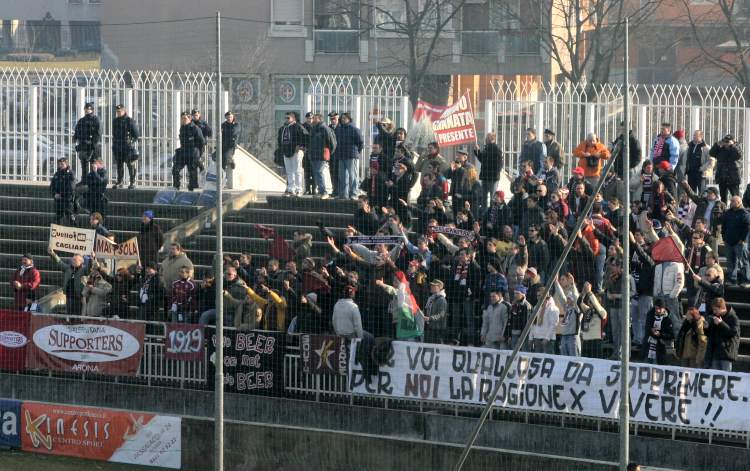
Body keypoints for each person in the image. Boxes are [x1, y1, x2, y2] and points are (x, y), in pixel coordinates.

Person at [48, 248, 91, 316]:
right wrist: (52, 254)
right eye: (72, 259)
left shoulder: (83, 270)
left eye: (74, 260)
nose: (72, 261)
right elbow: (59, 262)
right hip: (69, 296)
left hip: (80, 297)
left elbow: (90, 267)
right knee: (69, 313)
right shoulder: (68, 268)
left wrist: (92, 258)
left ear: (80, 261)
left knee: (78, 314)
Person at [277, 111, 309, 197]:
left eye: (288, 118)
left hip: (296, 152)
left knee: (297, 170)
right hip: (286, 152)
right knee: (289, 171)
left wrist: (301, 147)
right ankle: (291, 189)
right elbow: (280, 140)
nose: (286, 119)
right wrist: (282, 150)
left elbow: (306, 137)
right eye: (286, 118)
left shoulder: (298, 127)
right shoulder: (282, 128)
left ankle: (299, 189)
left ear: (293, 118)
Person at [721, 195, 750, 287]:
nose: (731, 202)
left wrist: (743, 240)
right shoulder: (727, 213)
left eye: (733, 201)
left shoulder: (745, 213)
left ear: (739, 202)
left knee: (743, 262)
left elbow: (747, 228)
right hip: (729, 242)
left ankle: (746, 280)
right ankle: (732, 279)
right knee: (730, 262)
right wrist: (724, 237)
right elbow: (724, 226)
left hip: (740, 243)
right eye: (731, 201)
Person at [334, 112, 364, 200]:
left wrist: (356, 152)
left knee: (353, 176)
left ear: (349, 119)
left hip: (351, 155)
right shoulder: (339, 129)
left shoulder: (354, 129)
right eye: (342, 118)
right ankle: (343, 194)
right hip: (341, 155)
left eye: (345, 118)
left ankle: (354, 193)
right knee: (342, 176)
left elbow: (360, 142)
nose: (343, 120)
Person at [704, 298, 740, 371]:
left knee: (725, 378)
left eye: (716, 309)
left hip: (726, 354)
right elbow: (710, 335)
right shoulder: (715, 317)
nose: (714, 312)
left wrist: (721, 324)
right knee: (714, 377)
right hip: (715, 353)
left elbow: (733, 333)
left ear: (722, 308)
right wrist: (706, 328)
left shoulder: (733, 318)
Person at [173, 111, 205, 191]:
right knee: (175, 169)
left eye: (185, 118)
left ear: (190, 119)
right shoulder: (182, 128)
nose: (183, 120)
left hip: (192, 153)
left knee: (192, 172)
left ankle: (192, 189)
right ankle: (176, 186)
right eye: (182, 119)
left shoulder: (195, 128)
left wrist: (198, 154)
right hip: (183, 152)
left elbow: (202, 142)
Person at [308, 113, 337, 199]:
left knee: (319, 172)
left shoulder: (324, 128)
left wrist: (328, 152)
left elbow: (332, 143)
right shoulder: (314, 129)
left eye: (315, 118)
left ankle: (324, 192)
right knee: (316, 174)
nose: (313, 120)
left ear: (320, 119)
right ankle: (320, 191)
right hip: (314, 155)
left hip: (321, 155)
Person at [111, 104, 140, 189]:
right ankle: (120, 181)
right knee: (119, 165)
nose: (118, 113)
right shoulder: (115, 121)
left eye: (120, 111)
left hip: (127, 147)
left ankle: (132, 182)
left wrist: (130, 142)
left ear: (124, 111)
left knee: (130, 165)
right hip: (118, 146)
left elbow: (136, 134)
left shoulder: (129, 121)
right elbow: (114, 134)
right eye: (117, 112)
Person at [474, 132, 503, 212]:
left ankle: (491, 213)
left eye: (487, 138)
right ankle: (485, 214)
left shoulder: (496, 149)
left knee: (491, 197)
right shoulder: (486, 148)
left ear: (491, 138)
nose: (485, 139)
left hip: (492, 178)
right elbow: (482, 160)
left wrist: (495, 174)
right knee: (484, 197)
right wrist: (477, 151)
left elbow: (499, 165)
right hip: (486, 177)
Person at [709, 134, 742, 204]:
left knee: (736, 199)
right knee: (723, 199)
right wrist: (717, 144)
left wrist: (732, 145)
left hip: (733, 178)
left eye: (728, 142)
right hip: (722, 177)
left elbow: (738, 155)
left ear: (733, 141)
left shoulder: (736, 147)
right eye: (725, 141)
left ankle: (737, 213)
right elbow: (711, 153)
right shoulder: (720, 149)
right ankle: (724, 213)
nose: (726, 143)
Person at [73, 102, 101, 181]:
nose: (86, 110)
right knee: (84, 164)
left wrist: (93, 144)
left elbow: (98, 133)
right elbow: (77, 130)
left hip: (92, 146)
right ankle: (84, 180)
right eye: (85, 108)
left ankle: (93, 181)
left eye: (88, 109)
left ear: (92, 110)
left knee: (93, 164)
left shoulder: (96, 120)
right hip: (83, 144)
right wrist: (75, 137)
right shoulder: (82, 120)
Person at [643, 299, 675, 365]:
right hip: (649, 347)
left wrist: (660, 334)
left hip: (661, 348)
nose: (658, 310)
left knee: (661, 368)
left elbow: (671, 335)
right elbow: (647, 328)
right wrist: (651, 331)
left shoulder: (668, 319)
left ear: (664, 309)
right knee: (648, 368)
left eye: (660, 309)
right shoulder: (650, 315)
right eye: (656, 308)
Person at [531, 287, 559, 354]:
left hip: (548, 340)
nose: (538, 297)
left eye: (540, 295)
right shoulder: (536, 307)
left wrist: (547, 338)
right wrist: (531, 337)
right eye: (537, 295)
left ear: (546, 295)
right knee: (537, 360)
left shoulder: (553, 308)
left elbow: (553, 325)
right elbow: (533, 323)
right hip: (537, 337)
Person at [684, 130, 713, 194]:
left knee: (702, 192)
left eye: (695, 135)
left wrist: (702, 168)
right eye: (693, 135)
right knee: (690, 192)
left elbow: (711, 161)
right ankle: (691, 204)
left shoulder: (706, 148)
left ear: (701, 136)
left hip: (701, 174)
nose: (694, 137)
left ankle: (701, 203)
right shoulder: (689, 146)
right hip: (691, 173)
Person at [50, 157, 76, 224]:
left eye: (62, 164)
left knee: (70, 218)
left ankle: (74, 232)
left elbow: (71, 188)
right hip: (58, 201)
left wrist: (62, 195)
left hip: (67, 201)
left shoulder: (70, 174)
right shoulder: (57, 174)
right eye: (60, 164)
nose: (61, 165)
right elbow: (52, 186)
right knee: (58, 219)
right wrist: (54, 194)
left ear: (66, 164)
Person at [220, 111, 241, 188]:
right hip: (224, 145)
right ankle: (222, 179)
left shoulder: (236, 125)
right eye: (228, 117)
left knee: (225, 158)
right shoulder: (223, 125)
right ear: (226, 118)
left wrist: (226, 132)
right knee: (215, 157)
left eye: (231, 117)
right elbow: (221, 134)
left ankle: (231, 161)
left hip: (231, 145)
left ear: (233, 117)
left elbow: (233, 132)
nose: (229, 119)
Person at [423, 279, 448, 344]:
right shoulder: (431, 298)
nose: (431, 287)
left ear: (439, 287)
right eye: (431, 285)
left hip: (438, 329)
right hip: (430, 327)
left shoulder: (442, 300)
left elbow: (441, 314)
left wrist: (430, 318)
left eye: (434, 286)